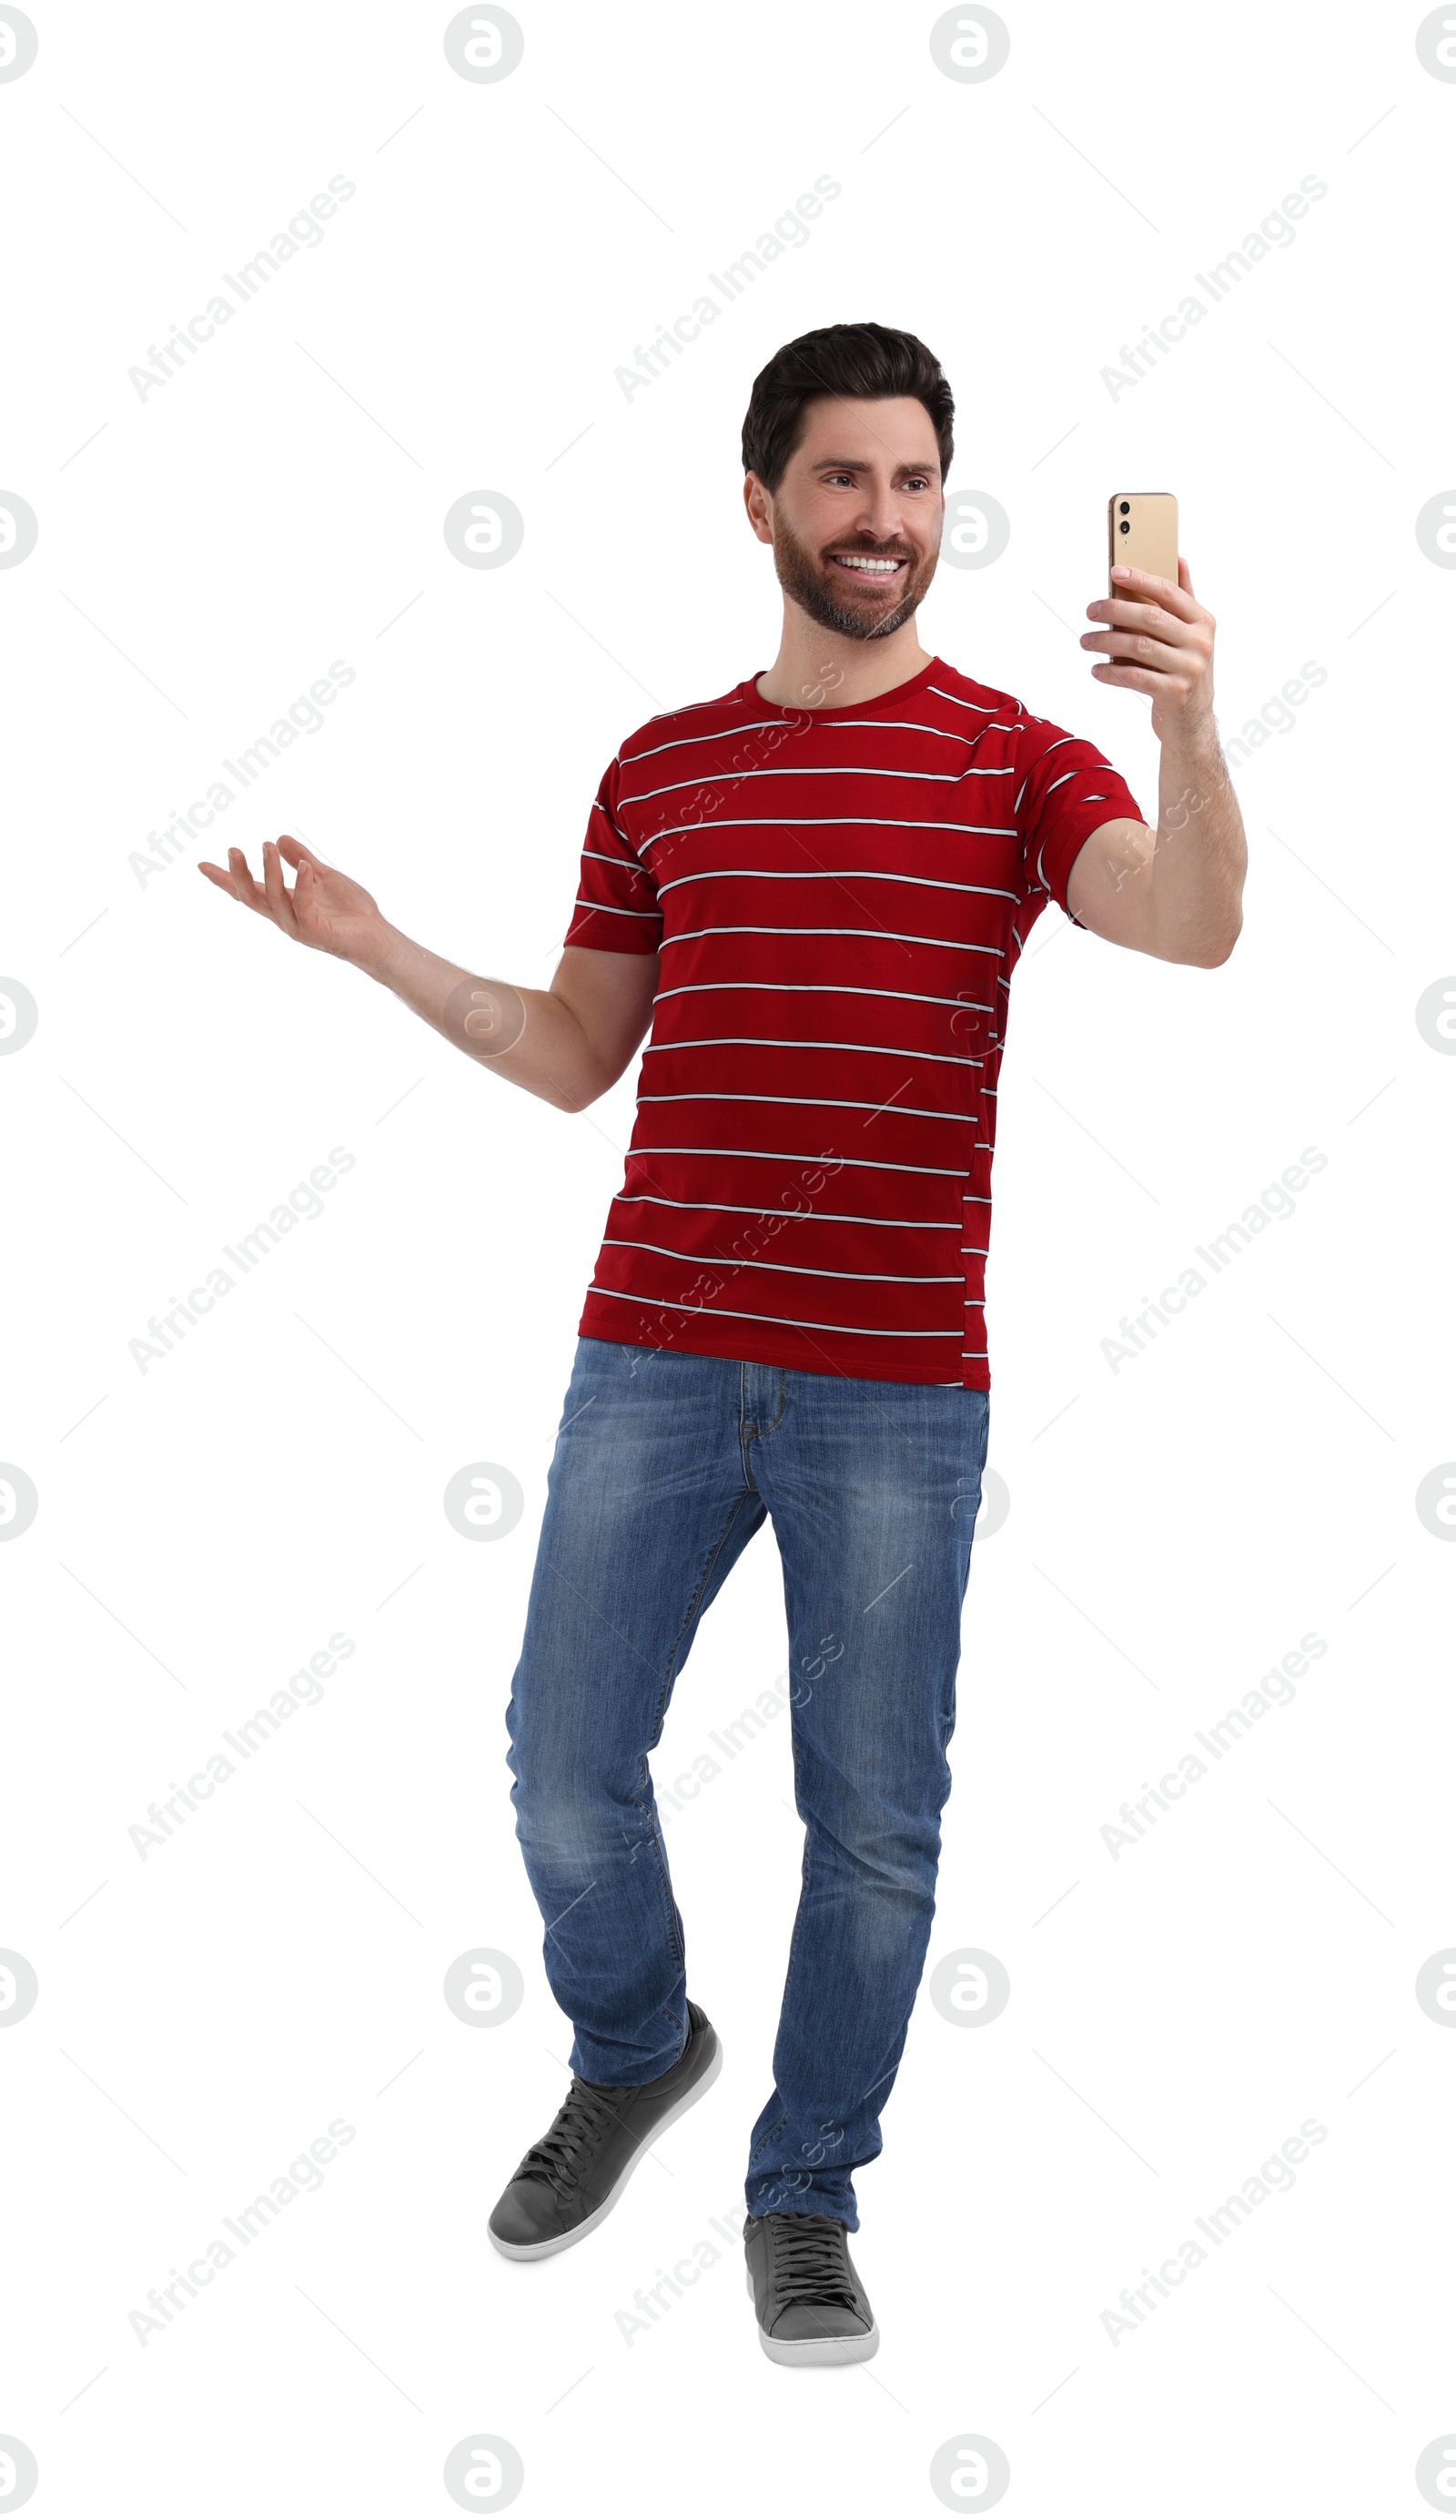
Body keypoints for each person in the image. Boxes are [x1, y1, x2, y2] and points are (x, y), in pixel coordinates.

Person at [200, 321, 1245, 2367]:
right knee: (563, 1758)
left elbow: (1188, 922)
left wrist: (1195, 725)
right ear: (758, 497)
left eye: (917, 481)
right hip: (654, 1358)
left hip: (891, 1388)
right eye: (845, 479)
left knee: (870, 1814)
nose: (885, 519)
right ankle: (632, 2038)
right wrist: (381, 948)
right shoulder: (661, 767)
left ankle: (803, 2187)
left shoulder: (1016, 758)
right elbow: (578, 1052)